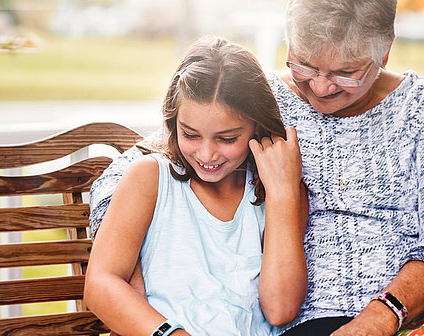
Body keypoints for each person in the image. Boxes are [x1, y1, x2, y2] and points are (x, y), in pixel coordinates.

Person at [90, 0, 424, 336]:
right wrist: (132, 264)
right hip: (315, 320)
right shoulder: (264, 100)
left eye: (345, 72)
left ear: (384, 52)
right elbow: (141, 166)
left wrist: (379, 319)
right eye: (304, 64)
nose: (321, 87)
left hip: (422, 316)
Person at [84, 37, 309, 336]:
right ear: (172, 121)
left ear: (258, 126)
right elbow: (101, 284)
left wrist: (282, 194)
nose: (206, 154)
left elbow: (281, 309)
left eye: (227, 139)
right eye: (190, 134)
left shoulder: (277, 192)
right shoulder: (149, 179)